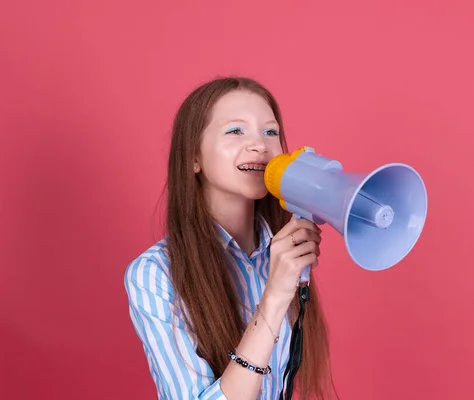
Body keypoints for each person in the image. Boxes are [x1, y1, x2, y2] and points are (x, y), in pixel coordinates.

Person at [124, 77, 336, 400]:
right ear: (193, 157)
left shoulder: (281, 252)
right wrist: (273, 299)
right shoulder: (154, 275)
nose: (260, 146)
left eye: (271, 132)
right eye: (236, 131)